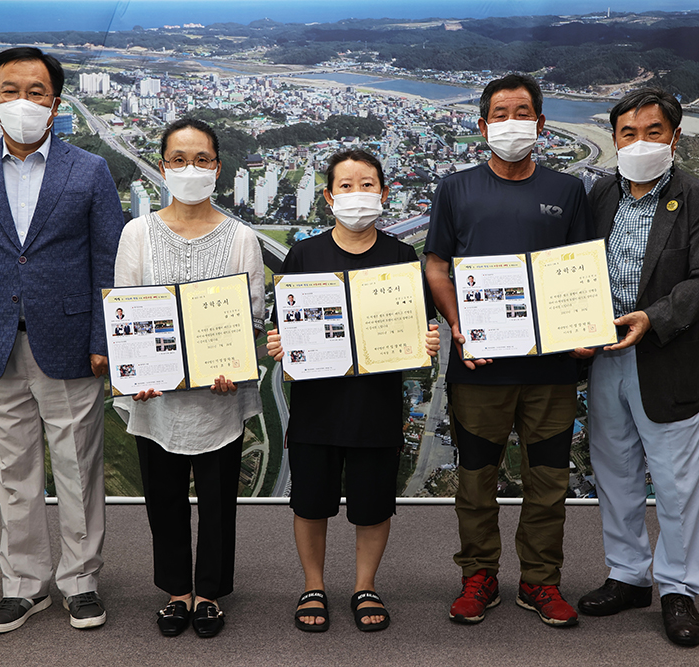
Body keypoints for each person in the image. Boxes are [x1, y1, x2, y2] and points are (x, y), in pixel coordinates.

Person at [0, 47, 124, 633]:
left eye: (35, 91)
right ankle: (22, 585)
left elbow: (107, 262)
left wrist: (104, 337)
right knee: (13, 472)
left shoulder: (88, 170)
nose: (22, 101)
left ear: (55, 103)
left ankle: (81, 580)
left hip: (69, 342)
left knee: (77, 466)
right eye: (9, 90)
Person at [424, 74, 594, 627]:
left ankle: (541, 582)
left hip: (551, 369)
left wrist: (584, 329)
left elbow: (582, 270)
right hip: (479, 367)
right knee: (476, 481)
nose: (512, 122)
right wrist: (457, 324)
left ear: (541, 125)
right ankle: (479, 576)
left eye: (524, 112)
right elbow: (436, 264)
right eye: (501, 113)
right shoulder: (455, 188)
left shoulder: (568, 191)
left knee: (548, 481)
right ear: (482, 126)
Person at [572, 88, 699, 647]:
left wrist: (654, 317)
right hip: (604, 358)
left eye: (653, 131)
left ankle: (679, 589)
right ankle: (627, 575)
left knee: (676, 482)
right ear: (614, 139)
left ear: (675, 137)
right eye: (627, 133)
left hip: (666, 356)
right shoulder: (599, 194)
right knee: (614, 474)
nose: (639, 142)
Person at [266, 149, 440, 633]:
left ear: (384, 194)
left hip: (376, 404)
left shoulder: (402, 258)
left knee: (373, 504)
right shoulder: (305, 254)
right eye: (346, 185)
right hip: (317, 404)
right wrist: (280, 342)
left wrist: (426, 341)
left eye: (367, 185)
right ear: (327, 197)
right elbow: (284, 324)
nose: (357, 195)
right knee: (311, 503)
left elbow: (416, 327)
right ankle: (313, 586)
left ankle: (366, 585)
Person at [114, 117, 265, 639]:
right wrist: (139, 369)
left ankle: (211, 593)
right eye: (178, 159)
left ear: (218, 169)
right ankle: (178, 591)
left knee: (220, 501)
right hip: (157, 400)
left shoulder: (243, 238)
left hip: (219, 398)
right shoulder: (137, 233)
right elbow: (126, 314)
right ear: (162, 167)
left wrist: (235, 367)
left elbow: (252, 319)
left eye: (201, 159)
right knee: (164, 497)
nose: (190, 169)